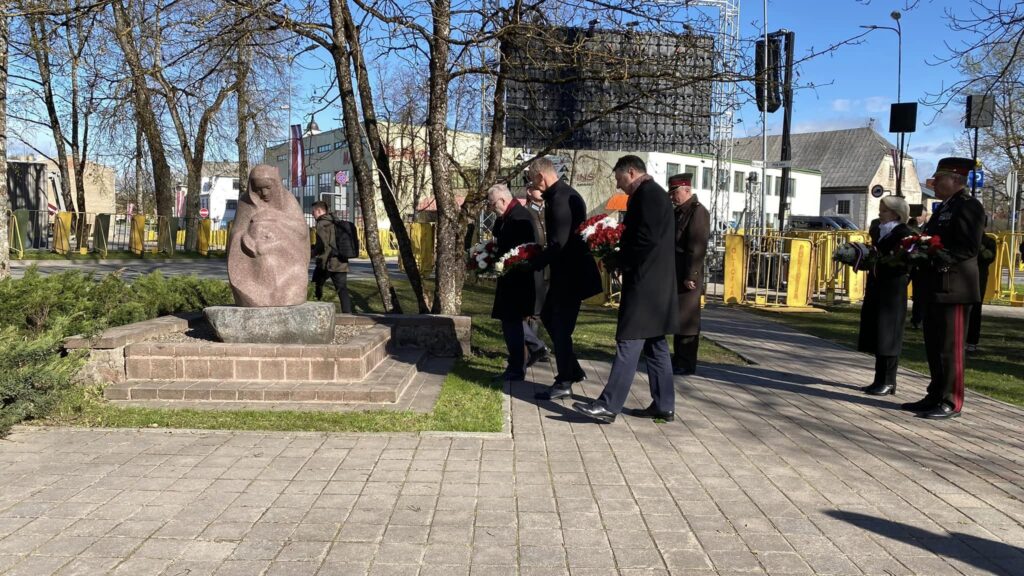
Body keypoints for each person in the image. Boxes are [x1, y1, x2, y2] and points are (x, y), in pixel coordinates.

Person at [573, 156, 679, 423]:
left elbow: (646, 239)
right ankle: (664, 405)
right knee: (655, 345)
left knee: (628, 341)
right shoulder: (654, 194)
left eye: (619, 179)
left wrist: (620, 259)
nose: (618, 186)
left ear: (631, 172)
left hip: (645, 286)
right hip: (656, 285)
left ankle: (609, 405)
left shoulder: (647, 195)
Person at [901, 157, 985, 420]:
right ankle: (935, 394)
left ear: (956, 179)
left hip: (955, 286)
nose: (934, 183)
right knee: (935, 345)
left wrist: (935, 253)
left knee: (951, 348)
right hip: (935, 285)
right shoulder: (944, 208)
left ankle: (951, 400)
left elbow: (968, 248)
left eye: (939, 179)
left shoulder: (969, 206)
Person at [528, 157, 603, 400]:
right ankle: (572, 370)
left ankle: (564, 381)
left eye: (531, 179)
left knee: (560, 326)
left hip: (571, 275)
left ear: (541, 176)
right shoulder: (561, 195)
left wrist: (534, 262)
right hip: (568, 273)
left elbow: (559, 244)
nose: (531, 184)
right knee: (550, 317)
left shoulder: (560, 200)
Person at [857, 196, 915, 396]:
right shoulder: (878, 230)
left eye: (884, 210)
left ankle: (889, 380)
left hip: (893, 289)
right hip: (877, 287)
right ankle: (878, 378)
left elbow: (906, 262)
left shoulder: (904, 233)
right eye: (881, 210)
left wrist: (884, 263)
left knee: (889, 334)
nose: (880, 214)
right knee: (878, 333)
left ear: (896, 214)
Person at [485, 184, 541, 381]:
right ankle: (534, 349)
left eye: (493, 204)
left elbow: (523, 250)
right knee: (510, 322)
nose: (492, 209)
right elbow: (498, 235)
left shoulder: (520, 217)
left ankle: (517, 368)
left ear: (502, 200)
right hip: (509, 278)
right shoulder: (507, 216)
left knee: (512, 323)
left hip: (518, 280)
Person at [667, 173, 710, 376]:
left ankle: (686, 362)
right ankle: (679, 358)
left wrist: (691, 275)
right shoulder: (679, 212)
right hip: (677, 272)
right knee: (679, 317)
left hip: (688, 274)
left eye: (674, 192)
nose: (672, 196)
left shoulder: (697, 212)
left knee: (688, 319)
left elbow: (697, 245)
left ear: (686, 189)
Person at [523, 184, 551, 367]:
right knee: (530, 310)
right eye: (536, 188)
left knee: (541, 310)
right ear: (529, 191)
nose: (541, 192)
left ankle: (537, 347)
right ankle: (531, 349)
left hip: (548, 266)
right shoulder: (526, 212)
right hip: (532, 266)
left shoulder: (548, 210)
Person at [311, 200, 356, 313]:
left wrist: (312, 253)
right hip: (341, 261)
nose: (312, 214)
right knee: (342, 290)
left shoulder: (322, 224)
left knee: (316, 284)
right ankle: (348, 315)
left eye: (313, 212)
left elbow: (322, 245)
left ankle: (315, 311)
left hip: (327, 262)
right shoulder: (335, 220)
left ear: (319, 211)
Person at [966, 230, 997, 354]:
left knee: (975, 311)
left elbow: (988, 257)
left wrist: (978, 244)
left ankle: (972, 342)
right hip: (962, 278)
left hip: (978, 281)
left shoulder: (989, 242)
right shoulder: (965, 238)